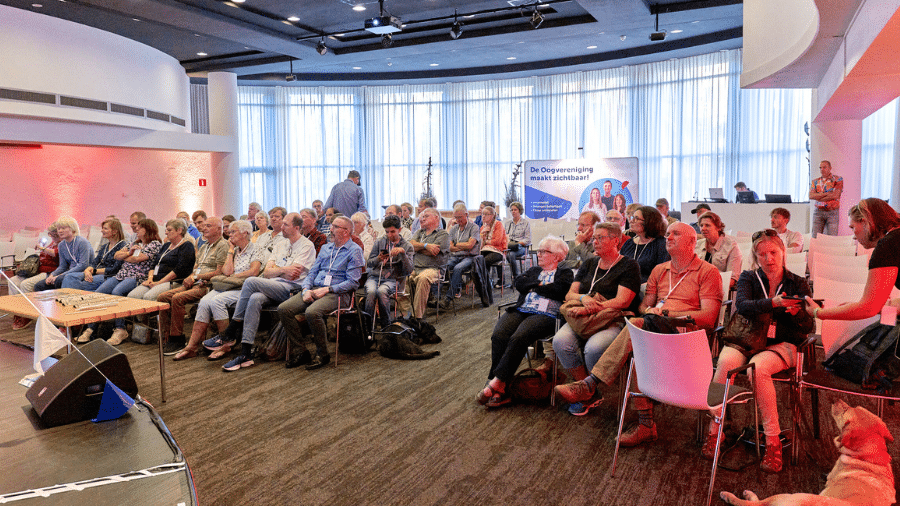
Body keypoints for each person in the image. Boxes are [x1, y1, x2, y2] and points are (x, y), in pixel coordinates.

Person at [555, 222, 722, 445]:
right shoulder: (659, 270)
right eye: (668, 233)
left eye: (676, 234)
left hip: (686, 337)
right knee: (639, 338)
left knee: (637, 326)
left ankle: (591, 385)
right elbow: (644, 307)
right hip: (654, 331)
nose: (668, 237)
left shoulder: (708, 272)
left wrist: (667, 313)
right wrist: (652, 312)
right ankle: (645, 425)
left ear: (693, 242)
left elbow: (709, 317)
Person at [704, 230, 813, 473]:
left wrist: (799, 314)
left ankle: (772, 441)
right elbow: (742, 306)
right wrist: (772, 303)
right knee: (725, 363)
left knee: (759, 370)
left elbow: (808, 326)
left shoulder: (798, 282)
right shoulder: (749, 278)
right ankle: (715, 430)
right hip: (748, 339)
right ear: (755, 256)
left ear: (783, 252)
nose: (768, 259)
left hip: (781, 343)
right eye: (762, 254)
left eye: (773, 252)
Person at [207, 212, 316, 371]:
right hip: (273, 285)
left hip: (293, 289)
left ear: (297, 228)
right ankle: (246, 353)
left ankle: (231, 330)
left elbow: (294, 275)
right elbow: (266, 272)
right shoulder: (280, 244)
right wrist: (282, 270)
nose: (280, 226)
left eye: (285, 224)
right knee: (255, 298)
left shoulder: (306, 245)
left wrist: (277, 270)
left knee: (251, 281)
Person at [552, 222, 641, 415]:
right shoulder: (590, 263)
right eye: (594, 238)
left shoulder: (629, 265)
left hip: (611, 319)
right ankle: (589, 392)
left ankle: (585, 389)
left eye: (600, 238)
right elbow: (570, 296)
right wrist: (584, 299)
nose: (595, 241)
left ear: (615, 240)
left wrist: (590, 309)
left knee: (594, 348)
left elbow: (622, 302)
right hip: (583, 318)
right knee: (560, 341)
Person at [478, 235, 573, 409]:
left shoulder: (565, 272)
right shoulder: (535, 270)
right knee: (499, 335)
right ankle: (500, 386)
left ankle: (497, 383)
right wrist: (540, 285)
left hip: (547, 314)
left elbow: (559, 290)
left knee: (518, 337)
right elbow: (519, 283)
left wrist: (534, 287)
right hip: (522, 309)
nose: (540, 254)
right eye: (540, 250)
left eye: (545, 251)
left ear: (558, 256)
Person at [278, 216, 365, 370]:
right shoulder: (326, 248)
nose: (330, 229)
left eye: (335, 227)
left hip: (338, 294)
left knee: (312, 312)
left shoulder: (354, 251)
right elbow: (312, 273)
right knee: (284, 309)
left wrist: (328, 289)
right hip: (315, 289)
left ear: (346, 231)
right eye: (332, 226)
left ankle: (322, 353)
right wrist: (305, 289)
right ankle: (301, 351)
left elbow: (352, 282)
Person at [173, 220, 264, 361]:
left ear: (245, 233)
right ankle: (191, 347)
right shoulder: (235, 250)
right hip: (229, 286)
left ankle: (225, 344)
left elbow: (254, 271)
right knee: (204, 302)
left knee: (216, 302)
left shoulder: (255, 248)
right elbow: (226, 272)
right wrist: (230, 251)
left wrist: (235, 276)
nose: (229, 234)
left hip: (244, 288)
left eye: (233, 231)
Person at [806, 198, 900, 322]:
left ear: (865, 222)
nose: (854, 236)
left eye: (852, 227)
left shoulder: (887, 245)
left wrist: (818, 312)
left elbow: (868, 309)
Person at [156, 216, 228, 355]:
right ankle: (166, 336)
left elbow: (220, 272)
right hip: (195, 281)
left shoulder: (223, 245)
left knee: (177, 298)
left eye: (208, 226)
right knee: (163, 297)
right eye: (204, 225)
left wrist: (196, 276)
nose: (204, 228)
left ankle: (177, 339)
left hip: (207, 285)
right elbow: (196, 267)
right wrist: (191, 276)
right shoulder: (204, 245)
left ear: (219, 229)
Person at [86, 219, 164, 345]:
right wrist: (129, 252)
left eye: (140, 227)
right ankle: (91, 328)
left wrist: (128, 256)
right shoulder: (134, 243)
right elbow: (116, 255)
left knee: (117, 292)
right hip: (121, 274)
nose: (137, 229)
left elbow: (137, 259)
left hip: (137, 277)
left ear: (148, 229)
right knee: (99, 293)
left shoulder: (154, 244)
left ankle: (120, 329)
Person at [127, 219, 196, 302]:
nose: (166, 233)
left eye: (169, 230)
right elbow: (154, 264)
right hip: (155, 280)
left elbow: (179, 270)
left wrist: (159, 283)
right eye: (166, 230)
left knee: (148, 297)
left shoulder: (187, 246)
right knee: (132, 296)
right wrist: (150, 279)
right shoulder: (166, 245)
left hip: (173, 282)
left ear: (179, 230)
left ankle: (152, 315)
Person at [364, 215, 414, 329]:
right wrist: (378, 258)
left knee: (382, 291)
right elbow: (370, 263)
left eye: (393, 232)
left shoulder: (407, 246)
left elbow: (409, 270)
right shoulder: (379, 242)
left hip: (394, 279)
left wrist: (403, 254)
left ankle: (386, 325)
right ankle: (368, 327)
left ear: (400, 230)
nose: (389, 235)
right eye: (387, 232)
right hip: (375, 277)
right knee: (371, 292)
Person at [9, 224, 60, 330]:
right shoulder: (51, 242)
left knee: (25, 284)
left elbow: (55, 254)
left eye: (52, 232)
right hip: (38, 270)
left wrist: (42, 248)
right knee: (13, 281)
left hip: (50, 272)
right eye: (50, 232)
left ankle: (27, 315)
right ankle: (17, 312)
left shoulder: (63, 244)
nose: (50, 234)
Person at [62, 217, 128, 294]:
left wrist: (94, 271)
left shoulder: (123, 246)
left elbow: (115, 269)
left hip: (108, 276)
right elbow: (95, 262)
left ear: (114, 231)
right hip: (94, 272)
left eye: (105, 229)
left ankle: (74, 300)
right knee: (69, 277)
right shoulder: (105, 246)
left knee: (83, 284)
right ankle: (68, 300)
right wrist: (87, 271)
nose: (102, 230)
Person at [407, 208, 450, 321]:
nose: (422, 218)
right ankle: (405, 314)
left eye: (426, 216)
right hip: (416, 268)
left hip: (434, 269)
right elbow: (410, 246)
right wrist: (426, 246)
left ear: (436, 218)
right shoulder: (419, 232)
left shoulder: (443, 234)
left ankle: (417, 318)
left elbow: (434, 252)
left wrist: (418, 248)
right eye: (422, 216)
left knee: (423, 278)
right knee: (404, 277)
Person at [33, 216, 94, 292]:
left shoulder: (82, 242)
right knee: (39, 286)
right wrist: (52, 275)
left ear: (72, 228)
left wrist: (59, 276)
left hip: (84, 272)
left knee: (59, 280)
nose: (60, 231)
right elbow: (62, 266)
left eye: (63, 228)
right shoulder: (61, 245)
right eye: (59, 228)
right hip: (70, 272)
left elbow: (83, 265)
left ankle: (59, 302)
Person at [439, 204, 481, 308]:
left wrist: (457, 244)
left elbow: (470, 245)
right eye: (456, 217)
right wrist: (463, 245)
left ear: (466, 215)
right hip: (455, 256)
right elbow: (450, 247)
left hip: (470, 256)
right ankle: (437, 296)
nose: (457, 220)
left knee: (458, 268)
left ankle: (448, 298)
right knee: (443, 265)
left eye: (460, 217)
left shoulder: (474, 227)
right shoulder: (453, 229)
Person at [619, 205, 669, 283]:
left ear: (649, 222)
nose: (631, 221)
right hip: (624, 286)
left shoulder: (662, 244)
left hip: (647, 288)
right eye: (632, 218)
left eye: (636, 219)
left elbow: (662, 275)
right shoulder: (629, 243)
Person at [696, 211, 742, 288]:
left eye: (707, 225)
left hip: (719, 289)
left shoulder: (731, 246)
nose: (703, 228)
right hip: (697, 288)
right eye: (701, 225)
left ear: (718, 227)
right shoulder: (697, 245)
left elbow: (732, 279)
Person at [809, 160, 843, 237]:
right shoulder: (815, 181)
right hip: (818, 212)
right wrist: (827, 194)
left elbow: (835, 195)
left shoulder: (838, 179)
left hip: (832, 211)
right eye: (820, 168)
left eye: (824, 167)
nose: (822, 170)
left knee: (832, 238)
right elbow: (811, 196)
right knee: (815, 237)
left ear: (830, 168)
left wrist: (818, 196)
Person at [480, 205, 508, 288]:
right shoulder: (483, 227)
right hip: (485, 250)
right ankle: (486, 281)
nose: (483, 216)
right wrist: (482, 235)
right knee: (478, 259)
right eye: (482, 214)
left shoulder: (498, 224)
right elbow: (480, 244)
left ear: (492, 216)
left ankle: (487, 281)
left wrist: (486, 242)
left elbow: (497, 241)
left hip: (498, 251)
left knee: (484, 261)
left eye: (486, 214)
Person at [504, 201, 532, 281]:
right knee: (508, 253)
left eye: (515, 210)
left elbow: (528, 239)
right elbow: (505, 236)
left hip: (521, 247)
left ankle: (516, 277)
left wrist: (517, 244)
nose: (513, 212)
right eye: (512, 210)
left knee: (510, 255)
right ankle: (512, 277)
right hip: (510, 246)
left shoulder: (525, 223)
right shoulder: (508, 223)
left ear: (520, 211)